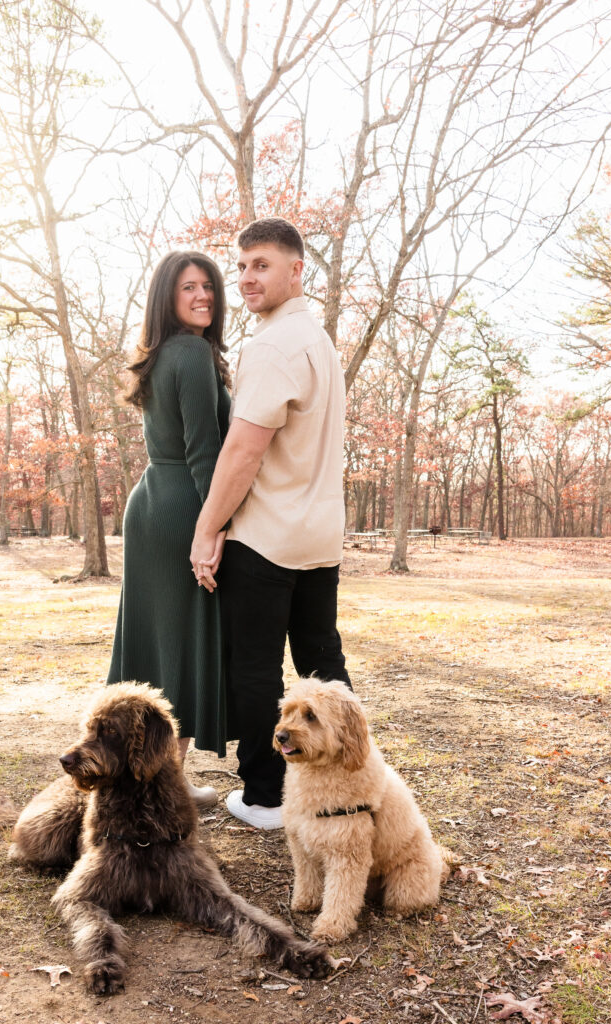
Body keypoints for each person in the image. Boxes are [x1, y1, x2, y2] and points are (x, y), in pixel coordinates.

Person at [190, 217, 351, 829]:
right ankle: (344, 784)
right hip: (319, 535)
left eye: (262, 264)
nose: (247, 277)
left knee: (254, 668)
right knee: (322, 666)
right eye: (243, 265)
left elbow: (242, 452)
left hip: (267, 537)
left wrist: (207, 530)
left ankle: (265, 797)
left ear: (295, 270)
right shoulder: (318, 340)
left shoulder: (271, 346)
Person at [108, 251, 233, 807]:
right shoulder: (191, 352)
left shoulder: (159, 354)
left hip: (151, 502)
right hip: (184, 507)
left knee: (156, 646)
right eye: (189, 287)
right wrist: (216, 526)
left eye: (208, 286)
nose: (203, 295)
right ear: (168, 296)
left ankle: (156, 781)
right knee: (181, 646)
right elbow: (205, 453)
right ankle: (166, 790)